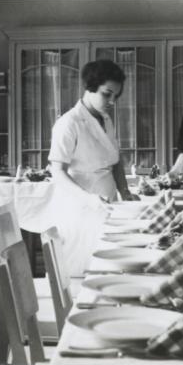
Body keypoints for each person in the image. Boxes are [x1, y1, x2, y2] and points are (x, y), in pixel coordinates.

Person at [48, 59, 137, 276]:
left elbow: (115, 160)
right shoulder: (69, 123)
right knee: (80, 269)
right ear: (90, 87)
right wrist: (88, 199)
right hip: (80, 204)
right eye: (107, 94)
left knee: (109, 264)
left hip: (107, 200)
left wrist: (125, 191)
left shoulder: (106, 119)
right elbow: (57, 171)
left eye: (116, 96)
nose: (112, 101)